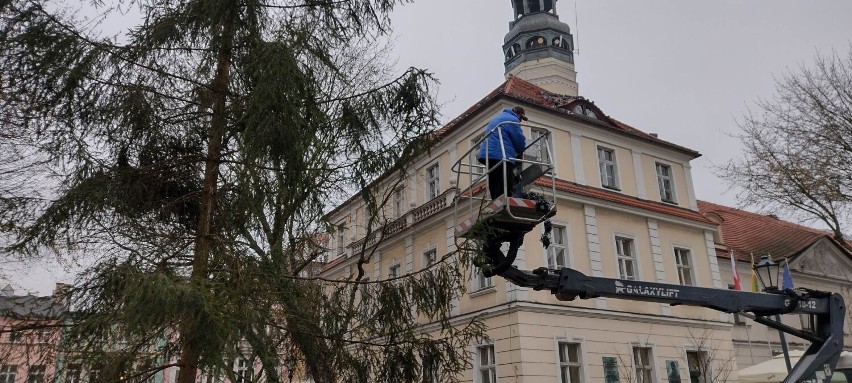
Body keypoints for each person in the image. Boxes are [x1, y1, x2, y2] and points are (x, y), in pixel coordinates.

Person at [477, 106, 528, 200]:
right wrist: (521, 150)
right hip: (500, 154)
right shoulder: (512, 119)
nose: (520, 121)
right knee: (505, 181)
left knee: (495, 181)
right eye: (521, 118)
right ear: (517, 113)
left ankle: (496, 202)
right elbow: (519, 142)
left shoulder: (499, 117)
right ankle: (503, 202)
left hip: (488, 155)